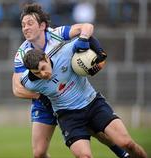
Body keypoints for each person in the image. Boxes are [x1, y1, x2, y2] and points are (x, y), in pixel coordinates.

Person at [12, 3, 130, 158]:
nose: (25, 28)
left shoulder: (56, 34)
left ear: (42, 25)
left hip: (70, 95)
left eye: (30, 23)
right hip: (44, 102)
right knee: (39, 153)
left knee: (99, 133)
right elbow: (17, 88)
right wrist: (40, 97)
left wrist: (85, 41)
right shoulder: (21, 55)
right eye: (23, 25)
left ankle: (124, 154)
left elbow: (86, 27)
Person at [20, 38, 147, 158]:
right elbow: (18, 89)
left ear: (47, 58)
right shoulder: (28, 81)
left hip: (93, 104)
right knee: (84, 156)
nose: (43, 74)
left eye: (43, 68)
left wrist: (100, 54)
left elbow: (87, 36)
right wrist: (41, 97)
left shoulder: (64, 52)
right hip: (68, 116)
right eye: (37, 73)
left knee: (127, 144)